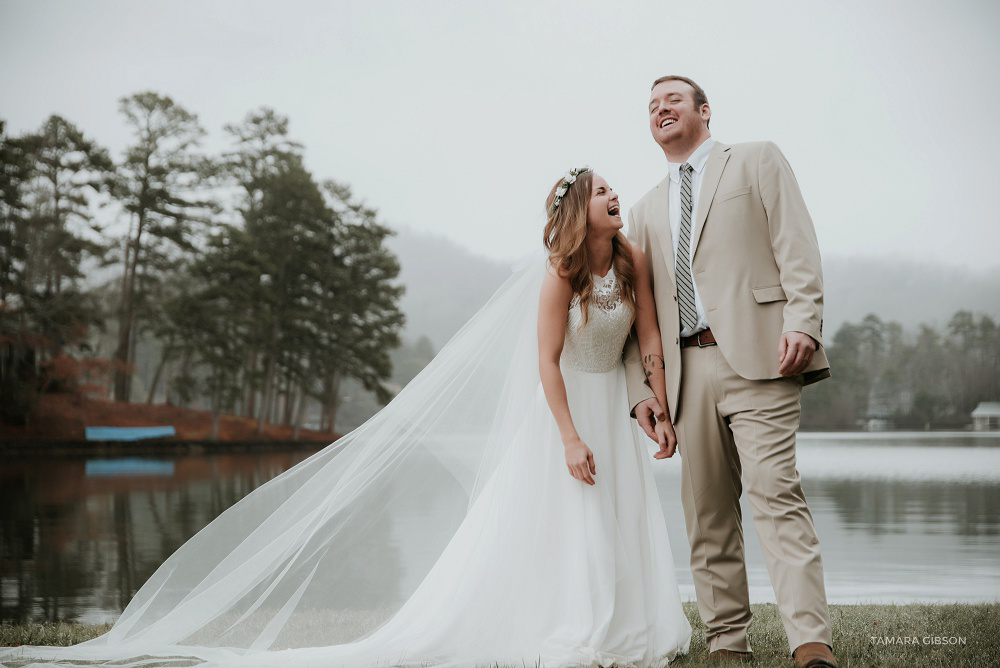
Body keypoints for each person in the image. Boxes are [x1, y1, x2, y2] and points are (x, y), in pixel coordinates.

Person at [2, 169, 691, 667]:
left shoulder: (632, 257)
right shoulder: (557, 275)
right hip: (565, 410)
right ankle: (581, 630)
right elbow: (546, 363)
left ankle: (628, 626)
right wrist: (568, 436)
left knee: (620, 514)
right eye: (601, 189)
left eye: (611, 189)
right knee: (571, 519)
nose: (613, 194)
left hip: (616, 402)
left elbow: (650, 337)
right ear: (579, 209)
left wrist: (656, 401)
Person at [623, 75, 839, 668]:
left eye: (672, 100)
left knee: (776, 497)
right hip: (685, 375)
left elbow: (797, 245)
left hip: (763, 358)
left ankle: (810, 646)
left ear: (705, 111)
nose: (659, 109)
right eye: (651, 106)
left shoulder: (756, 160)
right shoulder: (641, 212)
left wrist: (804, 320)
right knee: (707, 513)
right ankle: (726, 644)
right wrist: (643, 391)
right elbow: (635, 311)